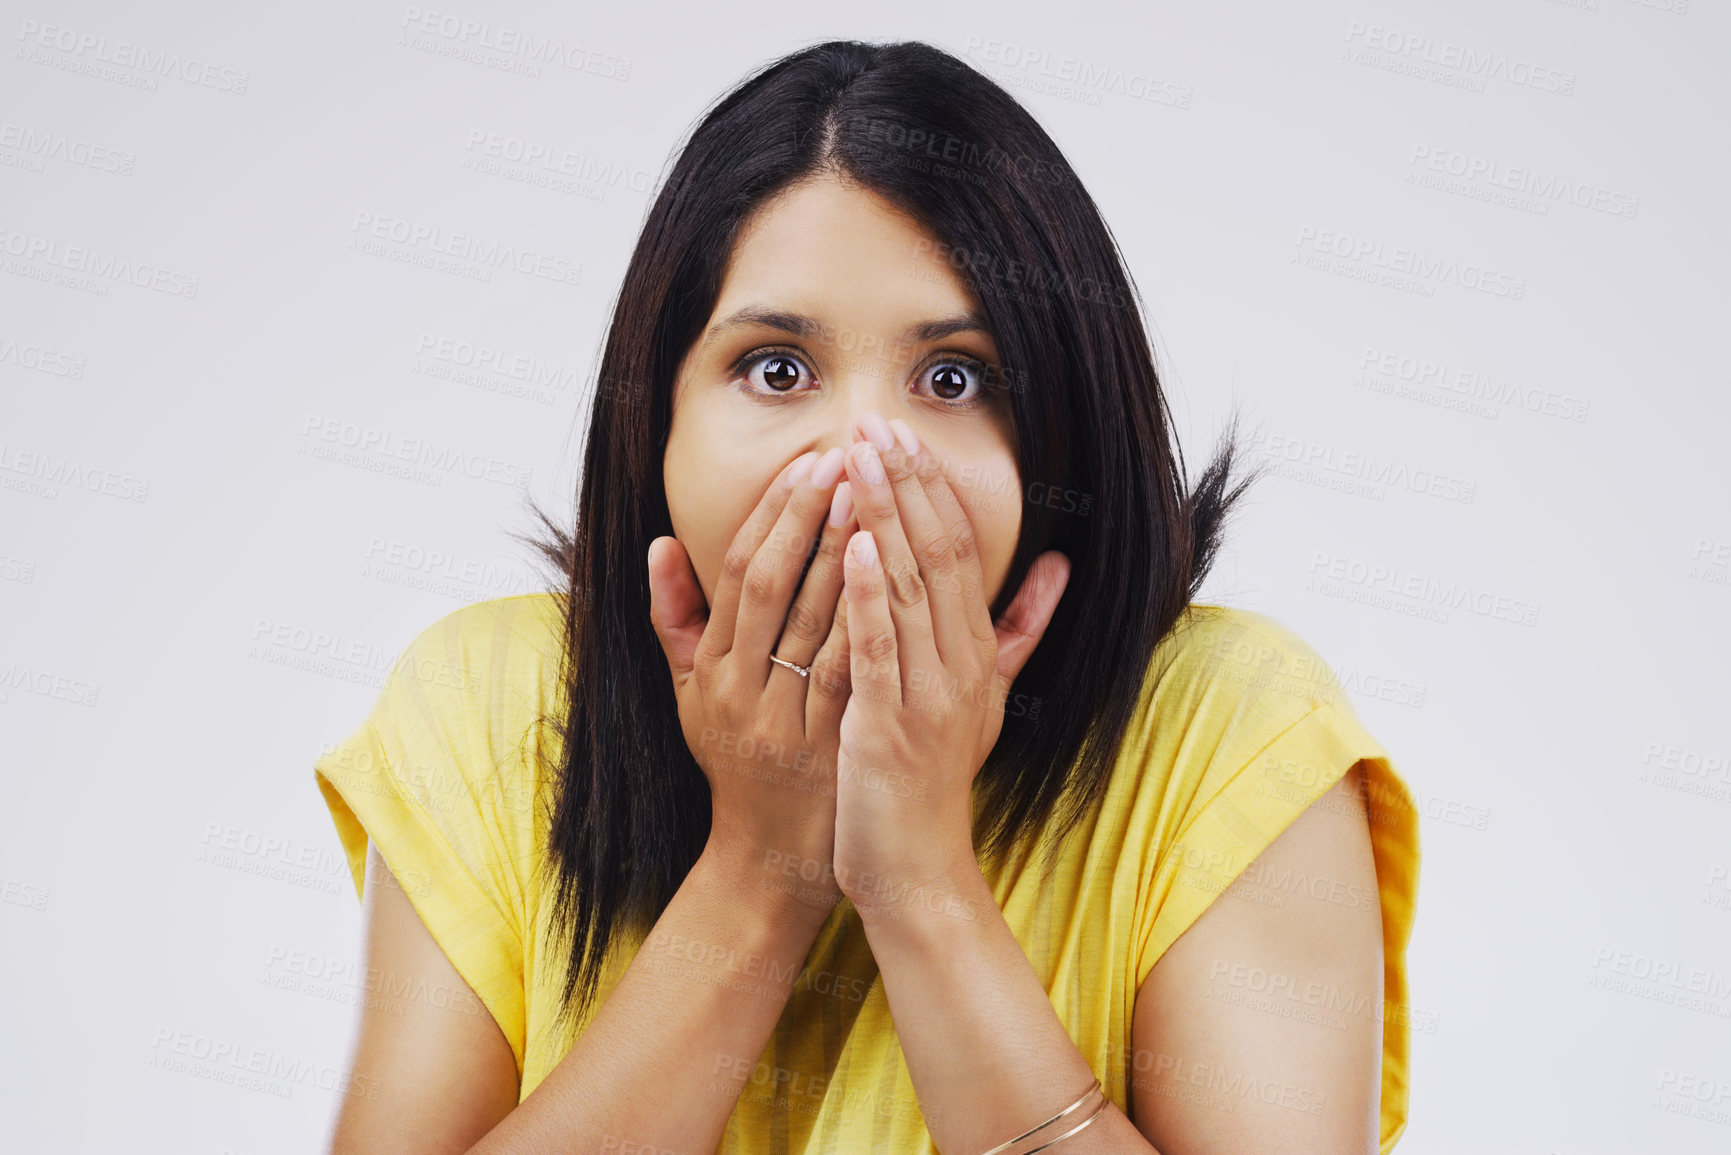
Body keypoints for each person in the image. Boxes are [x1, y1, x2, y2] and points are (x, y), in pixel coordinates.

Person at [313, 38, 1421, 1155]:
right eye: (777, 369)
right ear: (661, 419)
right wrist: (759, 867)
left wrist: (922, 884)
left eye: (952, 379)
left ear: (1062, 423)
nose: (857, 461)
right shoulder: (487, 702)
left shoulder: (1233, 732)